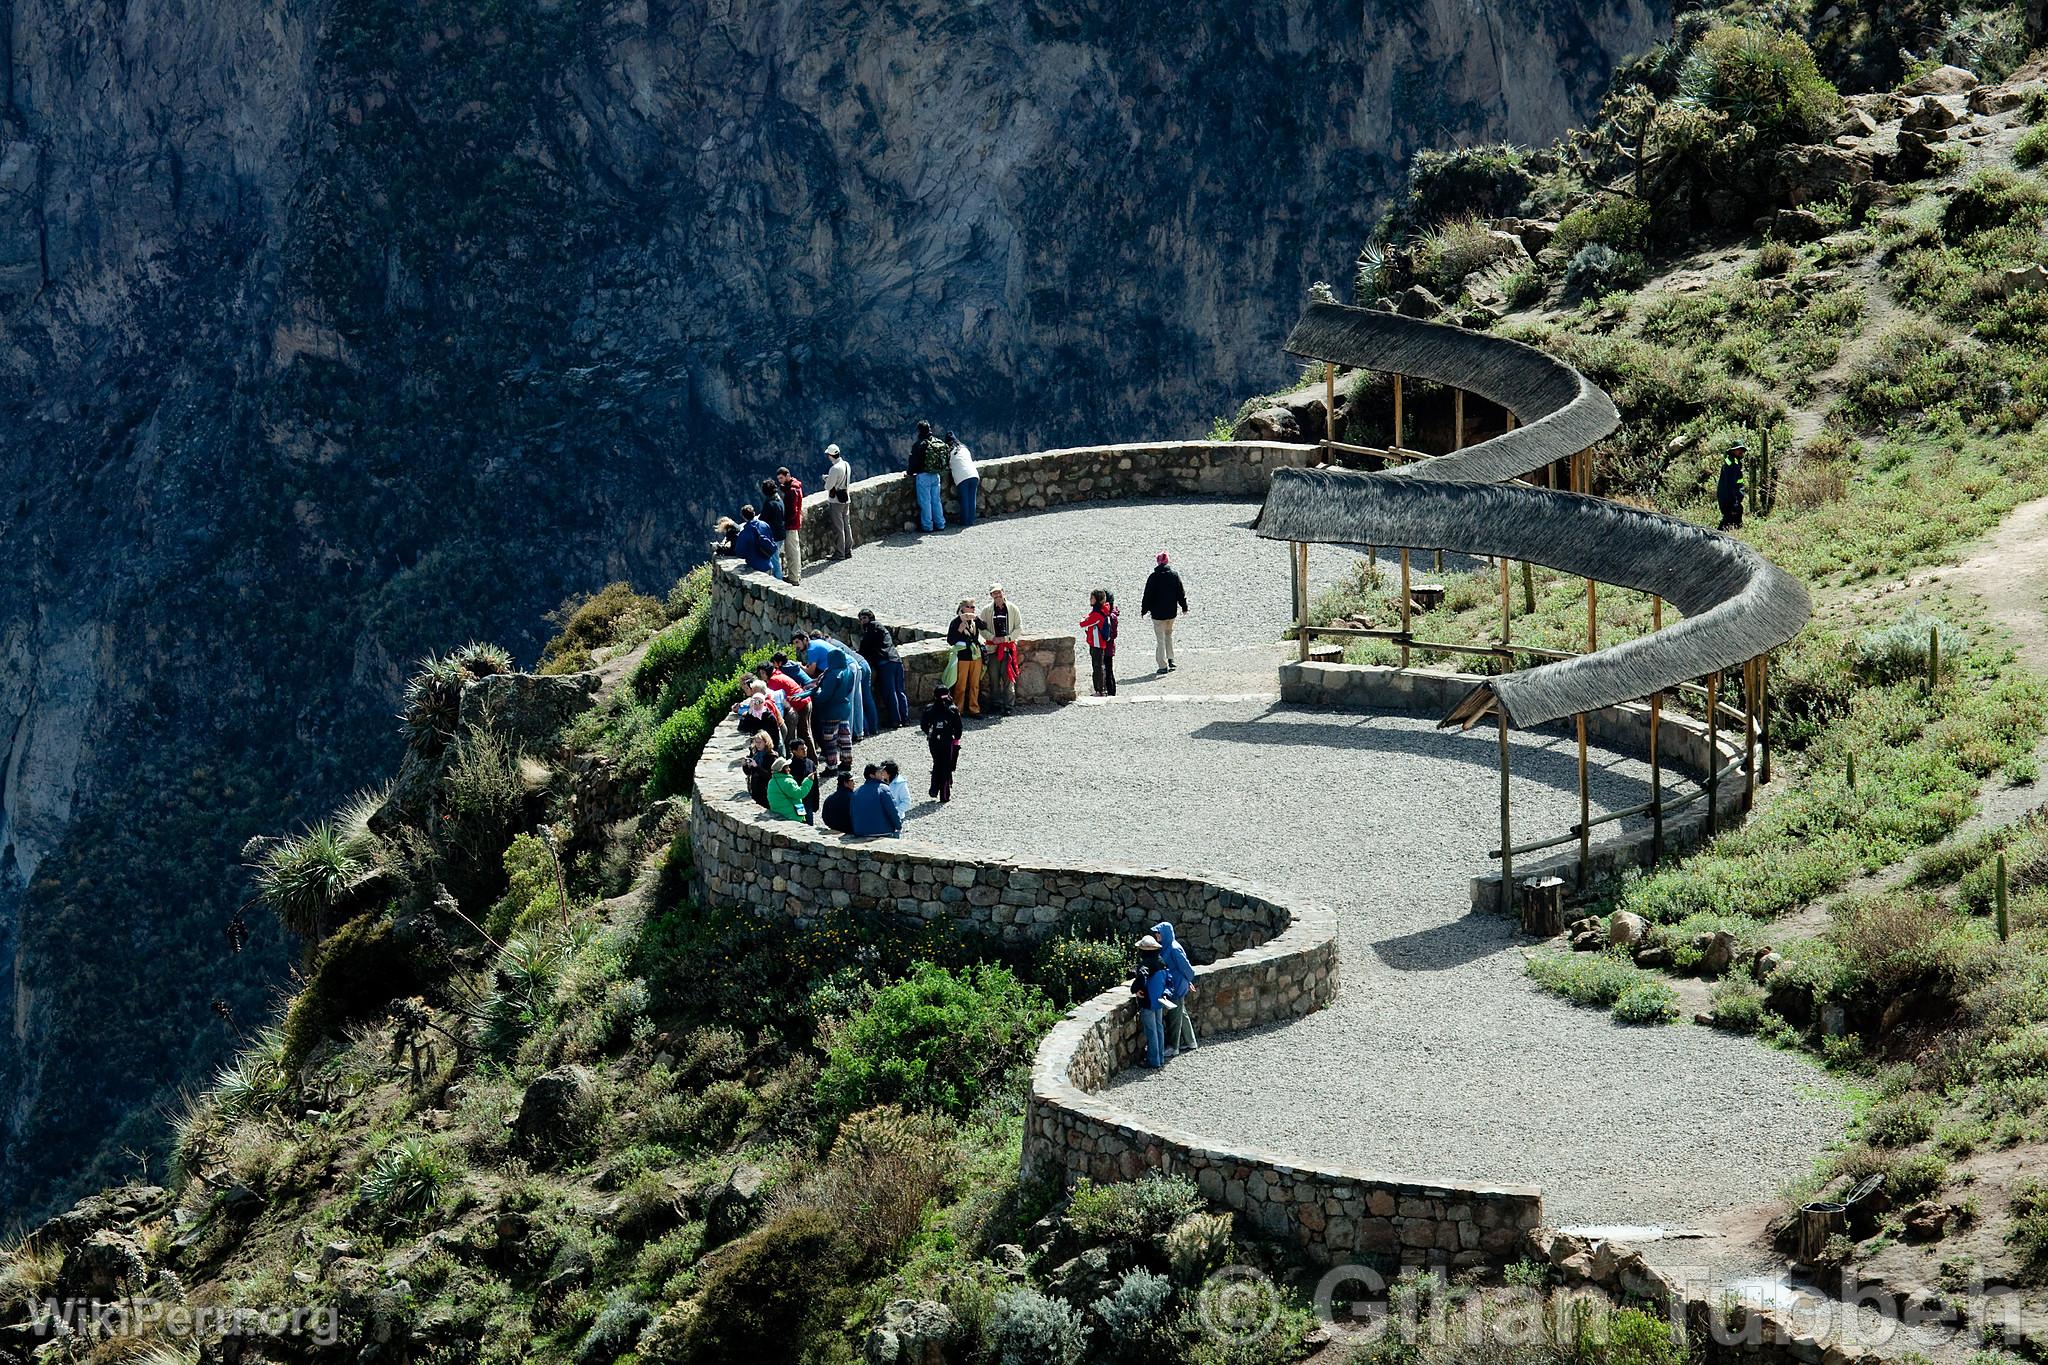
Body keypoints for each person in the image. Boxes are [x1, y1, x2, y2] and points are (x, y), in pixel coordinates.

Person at [806, 646, 858, 775]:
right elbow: (849, 688)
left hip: (831, 710)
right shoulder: (848, 671)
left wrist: (814, 695)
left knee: (830, 740)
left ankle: (831, 766)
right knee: (844, 737)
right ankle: (846, 763)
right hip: (844, 707)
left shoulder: (832, 674)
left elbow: (825, 695)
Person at [1152, 921, 1199, 1056]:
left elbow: (1187, 968)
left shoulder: (1173, 948)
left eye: (1158, 933)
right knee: (1181, 1013)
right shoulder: (1166, 946)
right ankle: (1191, 1041)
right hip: (1174, 985)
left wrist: (1188, 980)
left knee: (1174, 1016)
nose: (1156, 935)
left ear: (1165, 934)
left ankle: (1174, 1047)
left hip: (1177, 987)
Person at [858, 609, 910, 728]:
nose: (862, 621)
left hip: (885, 662)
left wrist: (859, 653)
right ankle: (905, 719)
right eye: (860, 619)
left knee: (890, 692)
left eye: (864, 618)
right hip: (896, 660)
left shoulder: (872, 626)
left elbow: (866, 645)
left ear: (870, 618)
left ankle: (895, 720)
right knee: (900, 691)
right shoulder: (881, 628)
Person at [1140, 552, 1189, 673]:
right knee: (1169, 635)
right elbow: (1180, 593)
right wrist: (1184, 606)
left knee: (1160, 639)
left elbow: (1147, 595)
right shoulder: (1174, 575)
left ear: (1157, 562)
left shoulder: (1153, 577)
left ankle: (1162, 665)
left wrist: (1144, 610)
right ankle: (1171, 659)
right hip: (1171, 613)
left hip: (1157, 615)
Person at [979, 584, 1023, 715]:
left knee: (1008, 678)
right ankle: (996, 703)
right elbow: (982, 628)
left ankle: (1009, 705)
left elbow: (1019, 627)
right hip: (993, 648)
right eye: (994, 593)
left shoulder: (1013, 609)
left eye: (999, 593)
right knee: (994, 678)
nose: (997, 596)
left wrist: (1007, 638)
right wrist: (992, 637)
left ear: (1003, 592)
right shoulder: (987, 610)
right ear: (991, 595)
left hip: (1007, 648)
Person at [1131, 934, 1170, 1069]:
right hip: (1159, 999)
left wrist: (1135, 989)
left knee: (1151, 1030)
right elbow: (1167, 979)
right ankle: (1160, 1058)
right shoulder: (1161, 961)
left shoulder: (1146, 963)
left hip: (1148, 1001)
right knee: (1159, 1028)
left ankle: (1153, 1061)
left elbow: (1142, 976)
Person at [920, 687, 963, 802]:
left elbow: (923, 725)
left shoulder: (929, 709)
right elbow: (959, 728)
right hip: (947, 742)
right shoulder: (952, 710)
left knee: (937, 763)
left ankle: (934, 788)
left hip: (933, 741)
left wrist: (929, 733)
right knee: (946, 767)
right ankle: (944, 795)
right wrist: (956, 738)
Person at [946, 599, 986, 717]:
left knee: (975, 684)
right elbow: (951, 641)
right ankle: (958, 709)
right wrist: (959, 630)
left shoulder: (974, 621)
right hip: (963, 656)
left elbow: (984, 626)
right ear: (962, 608)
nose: (972, 609)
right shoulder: (956, 622)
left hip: (975, 656)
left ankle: (974, 709)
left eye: (973, 607)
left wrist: (976, 617)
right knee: (961, 685)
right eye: (969, 607)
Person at [908, 420, 949, 532]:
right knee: (936, 500)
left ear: (919, 431)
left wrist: (909, 473)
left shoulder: (919, 445)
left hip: (923, 476)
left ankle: (927, 526)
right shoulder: (936, 442)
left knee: (925, 502)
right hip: (935, 475)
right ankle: (940, 524)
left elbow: (913, 462)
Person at [1080, 588, 1118, 697]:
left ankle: (1101, 691)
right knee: (1106, 670)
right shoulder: (1106, 613)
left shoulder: (1099, 614)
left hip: (1099, 644)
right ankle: (1108, 692)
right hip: (1106, 645)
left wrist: (1085, 619)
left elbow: (1083, 623)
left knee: (1099, 668)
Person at [849, 763, 903, 837]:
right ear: (872, 775)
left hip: (861, 832)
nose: (882, 773)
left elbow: (852, 814)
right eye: (879, 772)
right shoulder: (883, 788)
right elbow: (892, 810)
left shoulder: (856, 792)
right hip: (882, 832)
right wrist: (898, 826)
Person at [821, 444, 854, 559]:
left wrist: (826, 479)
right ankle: (848, 550)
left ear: (831, 455)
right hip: (846, 498)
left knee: (838, 528)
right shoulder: (846, 464)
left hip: (836, 501)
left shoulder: (834, 468)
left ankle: (840, 553)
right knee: (846, 525)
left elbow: (828, 486)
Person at [775, 466, 805, 584]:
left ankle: (793, 578)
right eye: (779, 479)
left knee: (791, 552)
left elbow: (792, 510)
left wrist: (784, 521)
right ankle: (796, 575)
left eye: (782, 478)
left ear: (787, 476)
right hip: (795, 523)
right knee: (794, 550)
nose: (780, 481)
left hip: (791, 525)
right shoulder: (794, 487)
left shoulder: (792, 491)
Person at [732, 506, 780, 576]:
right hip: (768, 564)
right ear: (754, 513)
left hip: (754, 566)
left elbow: (739, 552)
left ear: (743, 517)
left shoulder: (744, 533)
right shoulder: (765, 525)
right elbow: (772, 541)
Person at [947, 430, 980, 527]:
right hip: (973, 474)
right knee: (972, 498)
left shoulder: (950, 452)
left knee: (964, 499)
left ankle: (964, 522)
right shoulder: (965, 448)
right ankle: (971, 520)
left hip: (962, 477)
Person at [766, 757, 815, 823]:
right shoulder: (788, 782)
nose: (789, 769)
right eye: (786, 767)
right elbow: (800, 793)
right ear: (781, 769)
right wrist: (808, 780)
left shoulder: (771, 782)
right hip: (791, 816)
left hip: (778, 814)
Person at [787, 739, 822, 821]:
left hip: (808, 801)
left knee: (809, 824)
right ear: (794, 751)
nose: (805, 750)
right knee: (800, 824)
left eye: (805, 748)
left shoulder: (810, 763)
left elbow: (815, 783)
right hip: (797, 802)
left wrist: (816, 801)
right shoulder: (790, 766)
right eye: (801, 749)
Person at [1717, 442, 1747, 531]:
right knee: (1729, 519)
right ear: (1733, 451)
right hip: (1728, 498)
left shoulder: (1734, 461)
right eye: (1739, 450)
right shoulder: (1732, 464)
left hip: (1728, 497)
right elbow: (1731, 486)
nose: (1741, 452)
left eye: (1742, 450)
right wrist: (1735, 502)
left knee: (1733, 518)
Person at [740, 732, 775, 808]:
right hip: (755, 788)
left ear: (766, 742)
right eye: (756, 742)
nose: (757, 744)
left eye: (760, 742)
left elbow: (769, 776)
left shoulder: (772, 756)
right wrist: (745, 765)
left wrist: (756, 767)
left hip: (766, 790)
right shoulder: (756, 754)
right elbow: (749, 772)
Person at [758, 479, 787, 549]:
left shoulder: (770, 504)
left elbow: (762, 520)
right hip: (781, 533)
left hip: (774, 536)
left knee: (774, 559)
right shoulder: (779, 499)